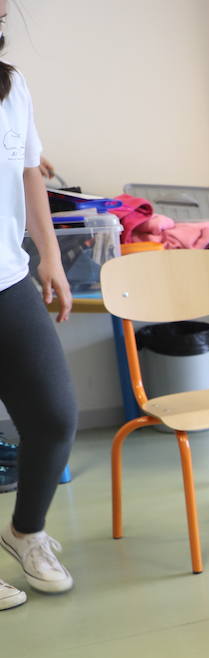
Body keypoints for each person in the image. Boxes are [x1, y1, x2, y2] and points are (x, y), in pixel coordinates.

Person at [0, 2, 76, 610]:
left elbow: (30, 174)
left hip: (8, 278)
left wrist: (48, 255)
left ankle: (25, 531)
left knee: (53, 416)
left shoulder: (12, 84)